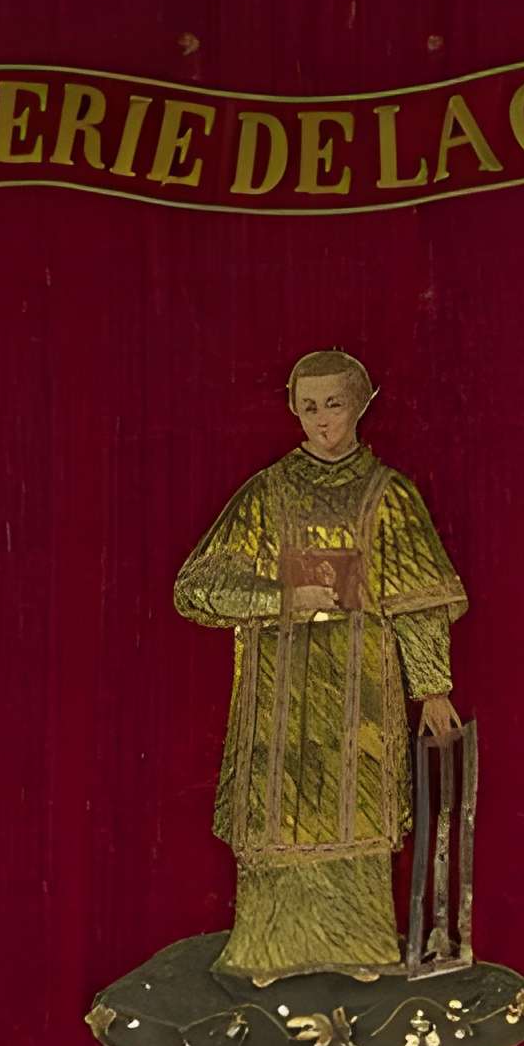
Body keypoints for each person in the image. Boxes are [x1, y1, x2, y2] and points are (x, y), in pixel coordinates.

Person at [174, 351, 466, 984]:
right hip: (276, 693)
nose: (322, 419)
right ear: (293, 410)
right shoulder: (266, 493)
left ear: (361, 404)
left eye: (334, 404)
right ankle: (265, 951)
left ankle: (361, 947)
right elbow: (196, 588)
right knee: (275, 809)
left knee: (358, 807)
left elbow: (418, 603)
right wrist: (281, 598)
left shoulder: (389, 495)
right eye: (309, 407)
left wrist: (432, 688)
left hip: (363, 691)